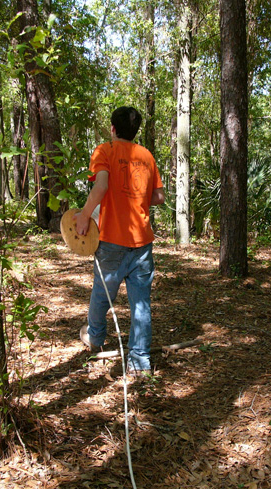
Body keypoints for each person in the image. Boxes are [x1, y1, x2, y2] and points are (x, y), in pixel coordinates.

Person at [74, 106, 165, 374]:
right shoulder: (146, 155)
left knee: (102, 296)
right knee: (141, 304)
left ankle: (96, 338)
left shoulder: (105, 151)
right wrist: (135, 199)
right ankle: (139, 362)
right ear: (135, 131)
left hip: (112, 241)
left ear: (113, 129)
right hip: (142, 244)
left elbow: (101, 186)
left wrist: (83, 217)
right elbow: (159, 197)